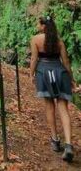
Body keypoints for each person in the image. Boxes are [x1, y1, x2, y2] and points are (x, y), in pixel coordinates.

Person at [30, 15, 77, 163]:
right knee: (63, 108)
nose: (37, 26)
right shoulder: (59, 41)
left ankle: (55, 141)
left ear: (43, 26)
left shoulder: (35, 39)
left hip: (44, 73)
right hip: (60, 72)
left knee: (49, 106)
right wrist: (72, 78)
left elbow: (34, 59)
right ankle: (69, 144)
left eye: (38, 23)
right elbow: (66, 61)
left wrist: (31, 74)